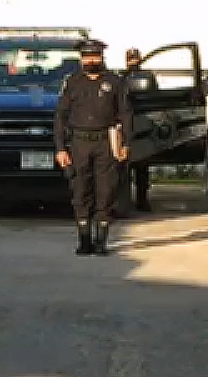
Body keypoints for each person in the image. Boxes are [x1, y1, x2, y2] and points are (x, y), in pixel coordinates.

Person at [54, 38, 132, 255]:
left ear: (101, 57)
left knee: (106, 193)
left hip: (106, 142)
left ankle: (101, 242)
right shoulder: (72, 83)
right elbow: (60, 116)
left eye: (95, 56)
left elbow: (126, 114)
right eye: (86, 56)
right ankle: (84, 240)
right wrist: (61, 148)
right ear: (81, 58)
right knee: (80, 192)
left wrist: (125, 143)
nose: (91, 60)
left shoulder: (115, 82)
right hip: (79, 142)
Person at [121, 47, 154, 212]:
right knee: (124, 164)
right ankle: (126, 200)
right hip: (128, 124)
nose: (133, 62)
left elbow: (155, 97)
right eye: (131, 59)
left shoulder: (148, 77)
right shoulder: (121, 78)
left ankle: (142, 199)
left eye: (135, 59)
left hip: (143, 123)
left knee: (142, 165)